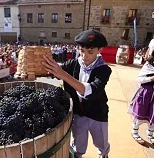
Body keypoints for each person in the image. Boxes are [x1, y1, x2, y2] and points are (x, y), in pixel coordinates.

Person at [43, 29, 111, 158]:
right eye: (82, 51)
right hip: (78, 113)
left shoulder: (104, 70)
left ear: (99, 50)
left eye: (90, 52)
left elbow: (91, 90)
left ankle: (104, 154)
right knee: (78, 144)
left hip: (98, 114)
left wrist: (63, 74)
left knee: (101, 142)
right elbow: (54, 72)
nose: (84, 56)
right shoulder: (73, 63)